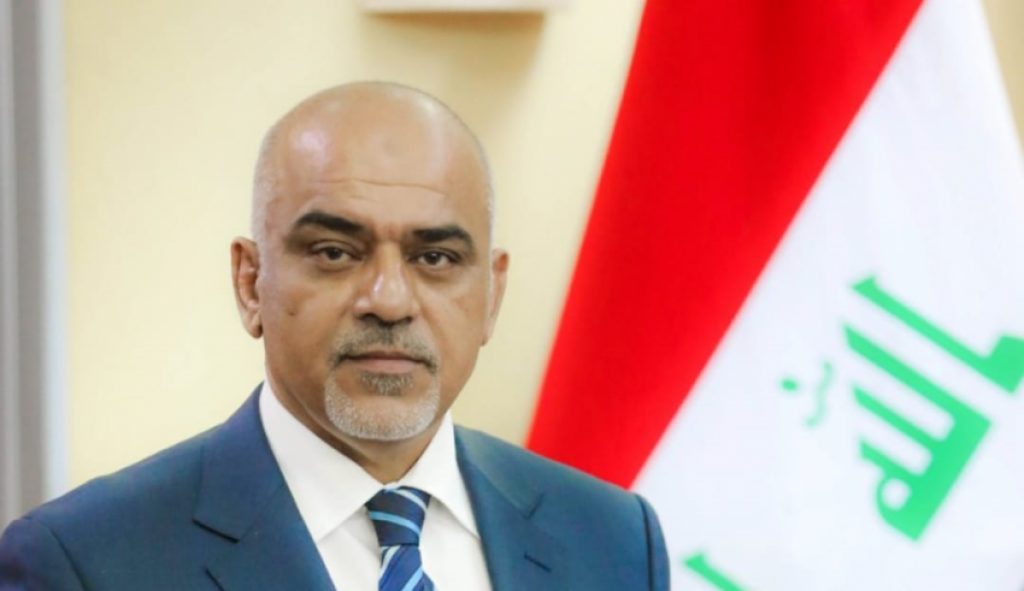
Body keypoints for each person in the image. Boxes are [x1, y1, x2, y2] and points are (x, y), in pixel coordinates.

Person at [0, 82, 669, 590]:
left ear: (491, 295)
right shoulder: (85, 560)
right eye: (334, 252)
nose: (390, 300)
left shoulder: (614, 540)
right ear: (250, 281)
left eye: (435, 257)